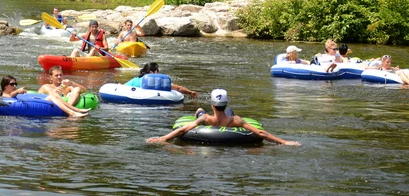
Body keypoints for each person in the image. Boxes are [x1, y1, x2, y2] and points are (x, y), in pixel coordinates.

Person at [146, 89, 301, 145]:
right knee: (229, 112)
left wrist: (162, 138)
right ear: (225, 103)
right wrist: (284, 142)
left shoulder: (205, 118)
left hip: (209, 120)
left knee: (199, 109)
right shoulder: (236, 120)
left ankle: (200, 108)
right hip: (228, 122)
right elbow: (261, 133)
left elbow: (183, 129)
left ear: (212, 105)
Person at [0, 74, 90, 117]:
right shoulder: (5, 95)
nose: (14, 86)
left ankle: (77, 110)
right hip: (21, 107)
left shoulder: (14, 93)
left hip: (35, 102)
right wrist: (17, 92)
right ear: (5, 86)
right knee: (52, 96)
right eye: (12, 84)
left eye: (15, 84)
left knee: (54, 95)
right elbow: (9, 97)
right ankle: (72, 113)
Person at [126, 62, 199, 98]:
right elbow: (178, 88)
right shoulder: (160, 81)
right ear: (153, 72)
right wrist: (190, 92)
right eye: (157, 70)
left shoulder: (135, 80)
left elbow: (123, 87)